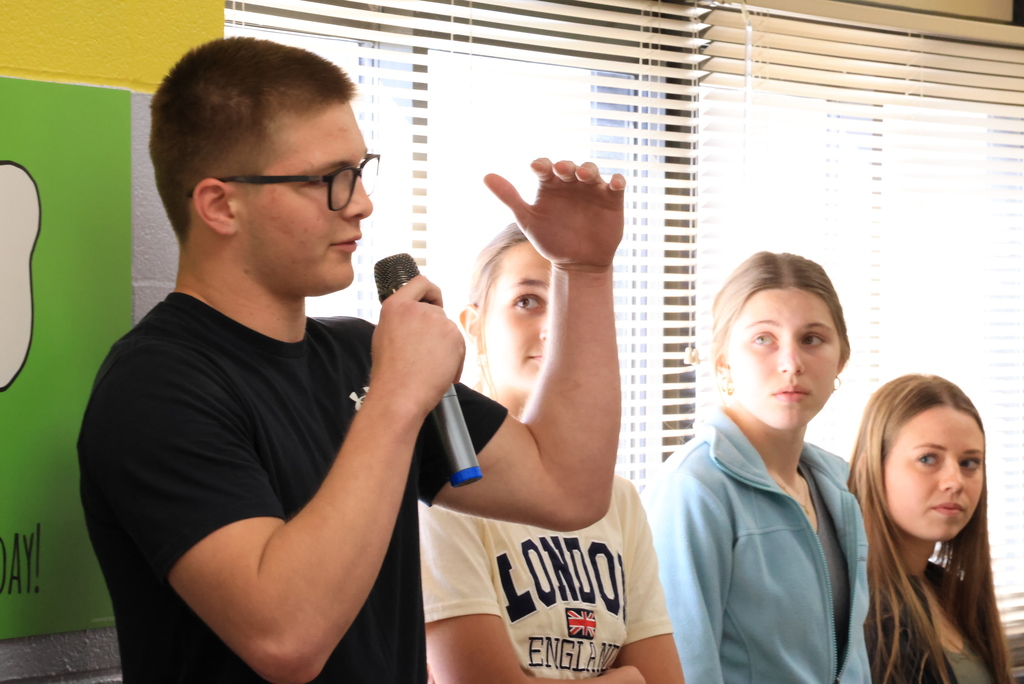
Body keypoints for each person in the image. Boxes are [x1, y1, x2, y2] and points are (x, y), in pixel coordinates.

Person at [77, 37, 624, 684]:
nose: (361, 202)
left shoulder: (360, 354)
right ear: (221, 205)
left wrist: (583, 271)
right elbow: (285, 638)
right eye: (326, 180)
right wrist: (396, 396)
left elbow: (568, 487)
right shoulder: (157, 386)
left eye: (360, 171)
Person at [419, 224, 686, 684]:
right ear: (473, 327)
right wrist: (625, 679)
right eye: (528, 301)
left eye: (569, 307)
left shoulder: (617, 500)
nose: (555, 327)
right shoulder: (446, 485)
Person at [642, 251, 871, 683]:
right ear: (724, 363)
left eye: (812, 339)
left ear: (841, 360)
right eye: (764, 339)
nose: (791, 363)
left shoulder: (838, 486)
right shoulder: (693, 490)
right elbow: (683, 671)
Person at [848, 374, 1013, 684]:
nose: (955, 481)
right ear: (870, 469)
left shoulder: (952, 593)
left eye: (969, 463)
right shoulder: (861, 611)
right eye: (927, 458)